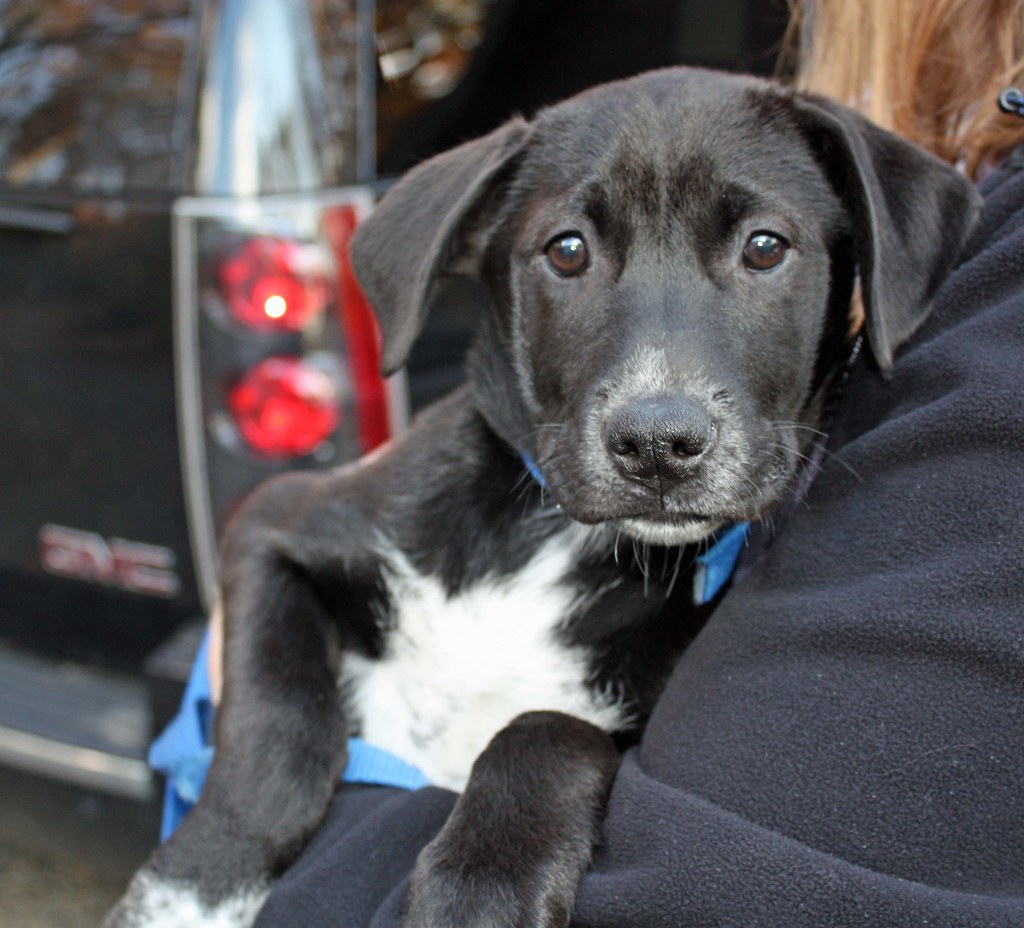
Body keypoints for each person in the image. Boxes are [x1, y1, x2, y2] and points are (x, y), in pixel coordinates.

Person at [250, 1, 1024, 924]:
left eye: (763, 248)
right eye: (570, 251)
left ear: (870, 257)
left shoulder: (783, 580)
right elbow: (274, 538)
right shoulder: (423, 490)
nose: (660, 419)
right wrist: (245, 808)